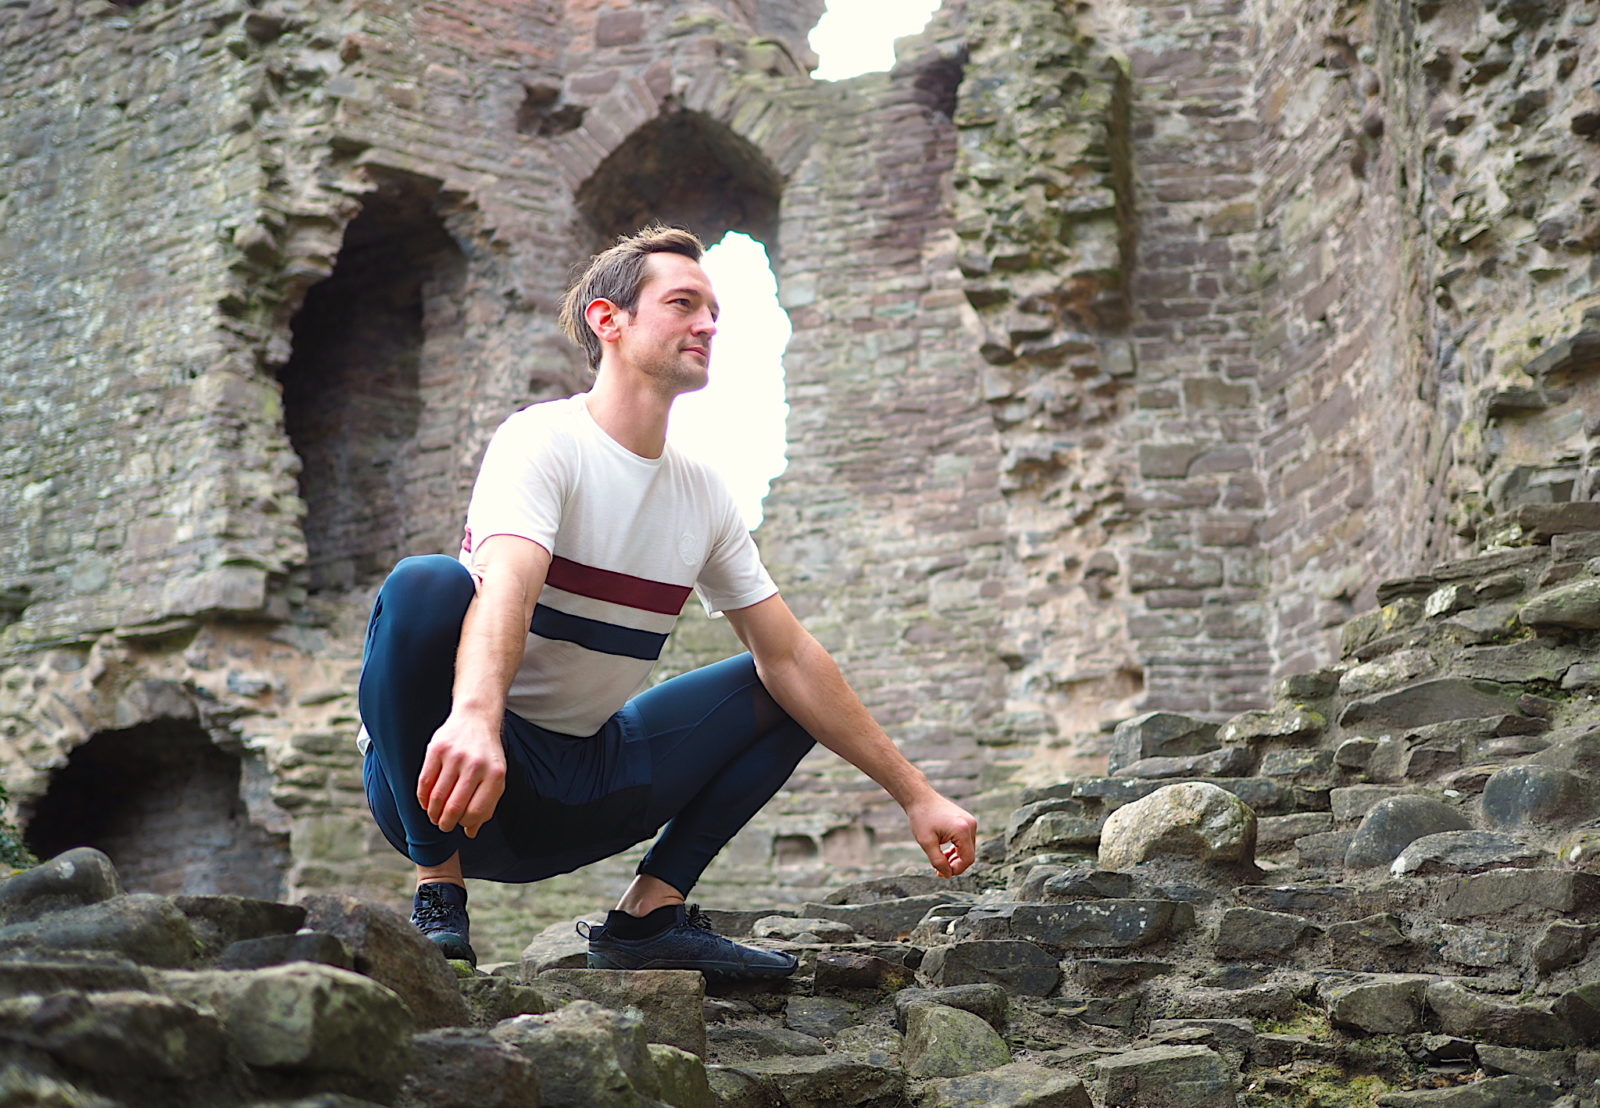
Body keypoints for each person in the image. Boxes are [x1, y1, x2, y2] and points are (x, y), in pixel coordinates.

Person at [356, 223, 978, 975]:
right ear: (608, 321)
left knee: (790, 684)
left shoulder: (704, 494)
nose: (709, 324)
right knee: (425, 586)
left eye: (715, 310)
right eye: (684, 303)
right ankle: (438, 896)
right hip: (440, 780)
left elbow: (790, 656)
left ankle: (648, 920)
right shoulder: (541, 440)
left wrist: (916, 794)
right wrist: (478, 718)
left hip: (577, 791)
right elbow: (510, 585)